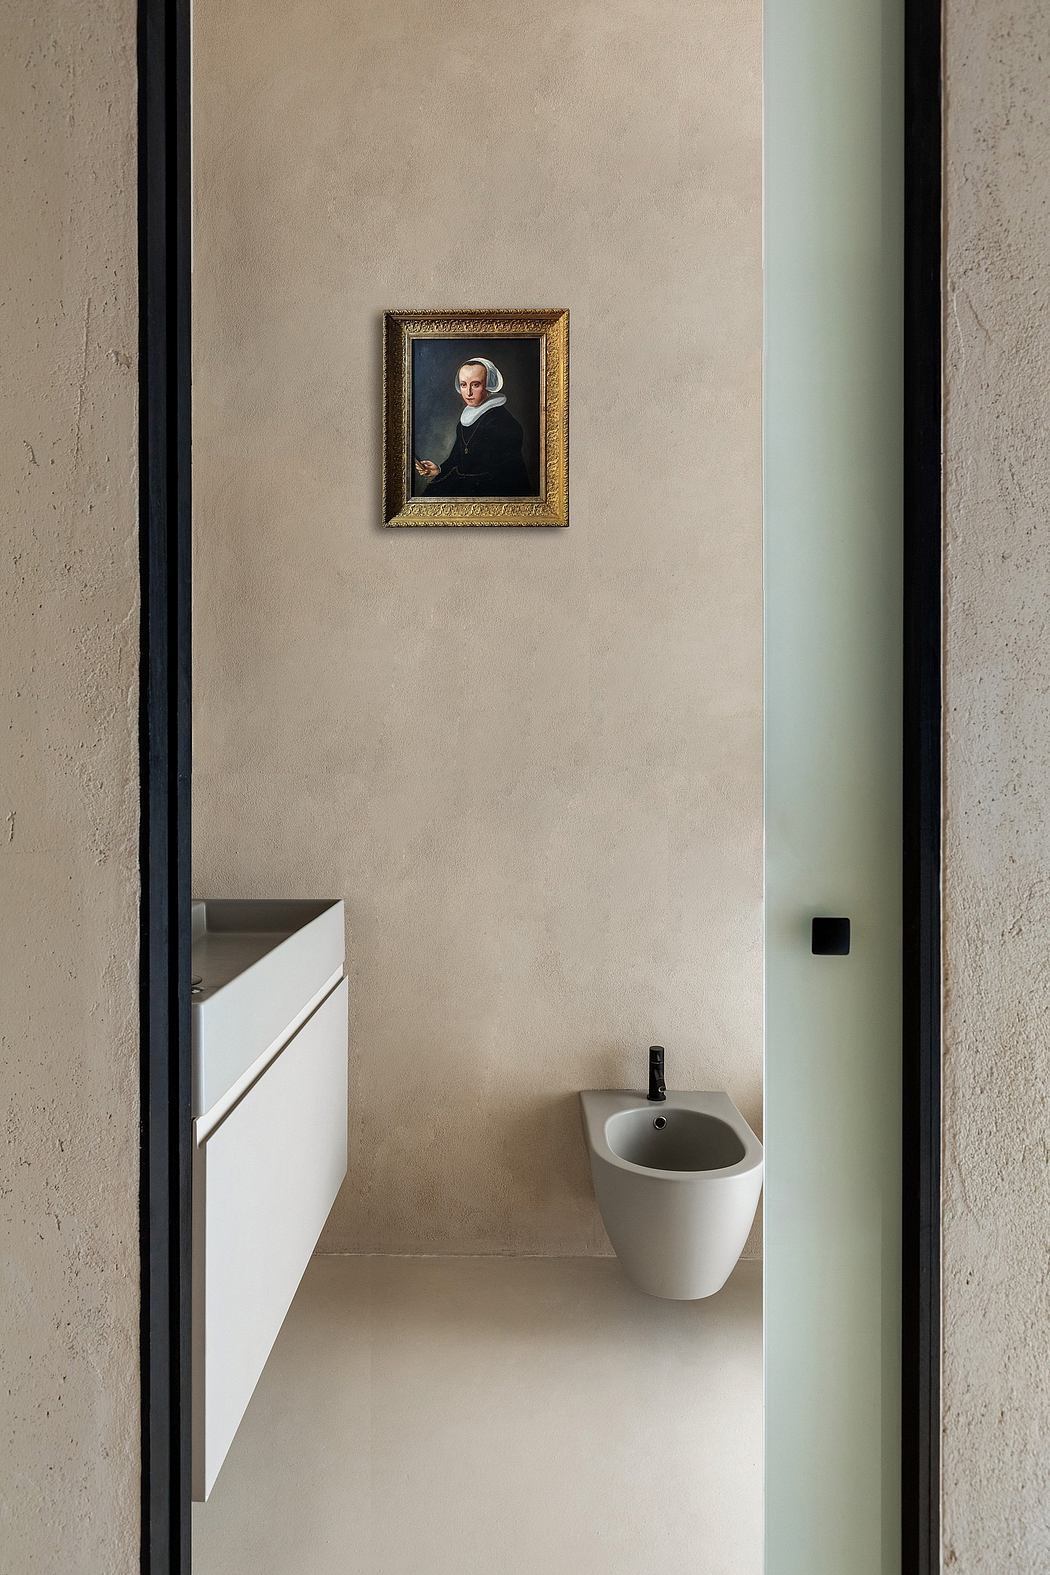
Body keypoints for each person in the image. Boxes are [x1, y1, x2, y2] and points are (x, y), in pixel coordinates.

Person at [415, 357, 532, 496]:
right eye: (463, 385)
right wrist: (439, 469)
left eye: (475, 385)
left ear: (488, 385)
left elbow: (504, 476)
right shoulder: (465, 419)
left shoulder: (505, 424)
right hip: (466, 485)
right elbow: (457, 457)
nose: (468, 392)